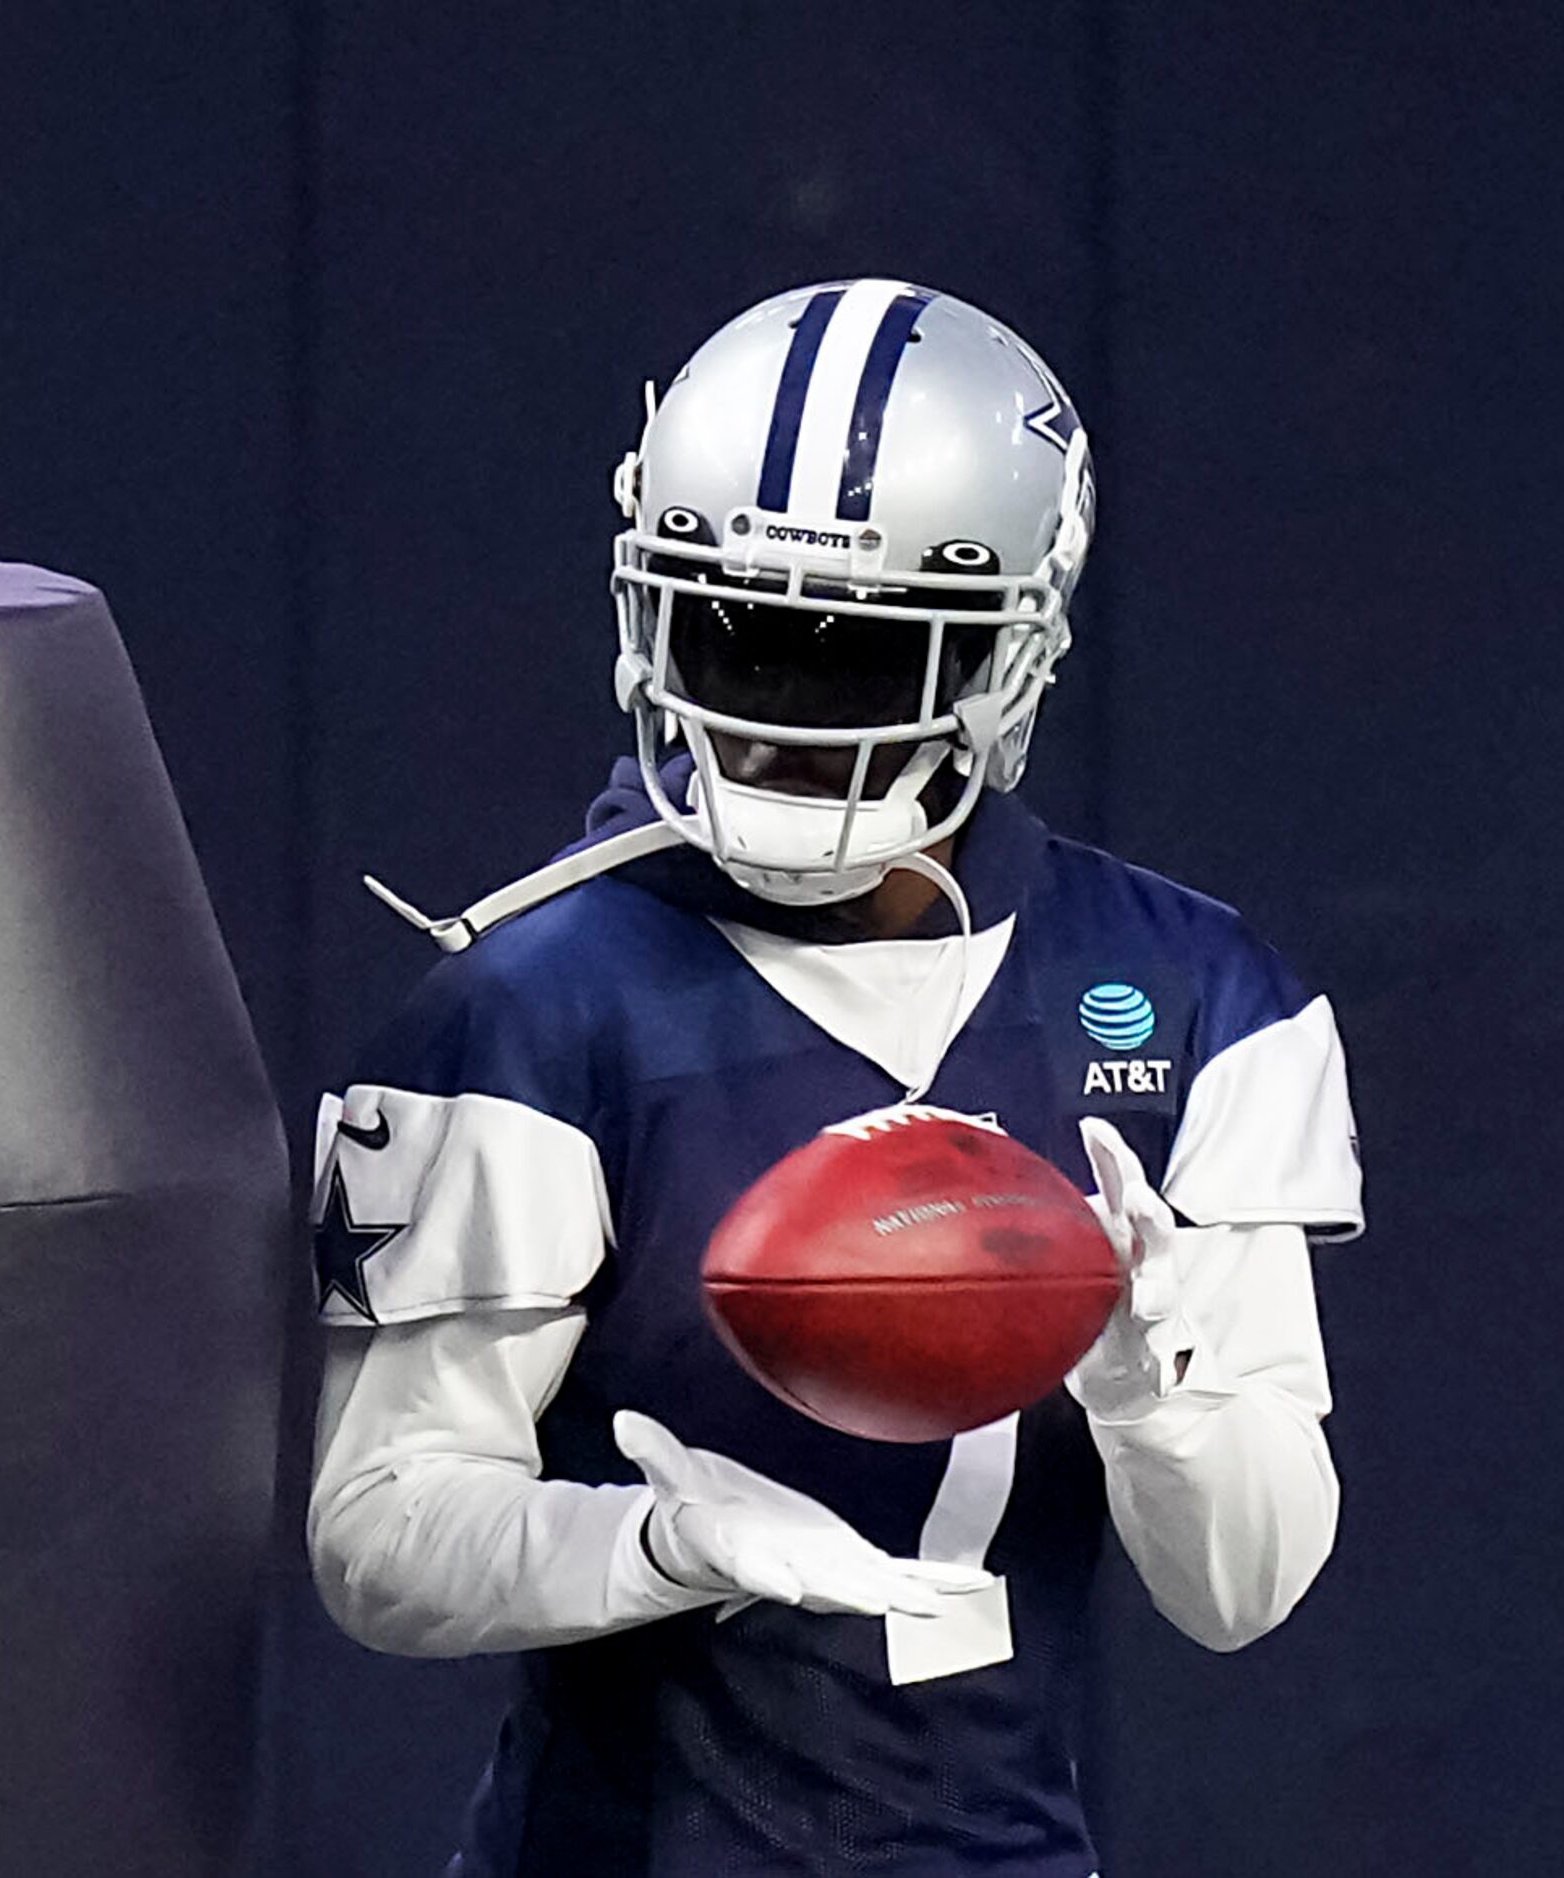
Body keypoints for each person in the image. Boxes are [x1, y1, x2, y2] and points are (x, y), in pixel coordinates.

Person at [306, 278, 1362, 1877]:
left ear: (1016, 649)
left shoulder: (1198, 994)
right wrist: (654, 1541)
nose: (776, 718)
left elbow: (1242, 1587)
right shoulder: (533, 1004)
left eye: (857, 656)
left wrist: (1161, 1388)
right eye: (731, 630)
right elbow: (379, 1535)